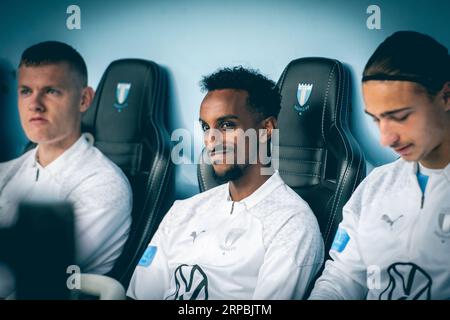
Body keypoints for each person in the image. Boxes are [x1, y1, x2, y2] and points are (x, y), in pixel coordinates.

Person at [127, 66, 324, 300]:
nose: (211, 140)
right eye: (205, 127)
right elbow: (140, 295)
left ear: (267, 129)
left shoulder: (291, 224)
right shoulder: (184, 210)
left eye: (227, 125)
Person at [310, 31, 450, 300]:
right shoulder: (376, 185)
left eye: (399, 117)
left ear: (446, 96)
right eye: (376, 119)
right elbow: (342, 276)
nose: (386, 139)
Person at [0, 41, 132, 297]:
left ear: (84, 99)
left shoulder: (104, 185)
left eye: (51, 91)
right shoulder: (5, 172)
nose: (34, 104)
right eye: (26, 91)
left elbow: (19, 276)